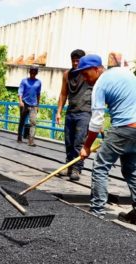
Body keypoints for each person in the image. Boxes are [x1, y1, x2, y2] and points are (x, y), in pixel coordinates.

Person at [77, 54, 136, 223]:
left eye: (86, 74)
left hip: (124, 128)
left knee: (100, 167)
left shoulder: (100, 85)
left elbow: (96, 121)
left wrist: (86, 146)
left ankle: (97, 213)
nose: (84, 78)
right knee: (130, 169)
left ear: (97, 69)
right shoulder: (125, 73)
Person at [56, 49, 92, 181]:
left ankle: (77, 168)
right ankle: (69, 166)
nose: (76, 63)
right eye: (73, 60)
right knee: (69, 141)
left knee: (79, 142)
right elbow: (63, 93)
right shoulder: (67, 74)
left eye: (78, 61)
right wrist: (59, 111)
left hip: (85, 112)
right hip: (71, 111)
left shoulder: (88, 73)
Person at [17, 65, 41, 146]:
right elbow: (20, 91)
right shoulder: (24, 81)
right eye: (31, 72)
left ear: (36, 73)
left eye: (34, 72)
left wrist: (38, 105)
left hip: (33, 105)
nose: (33, 73)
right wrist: (20, 101)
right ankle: (19, 137)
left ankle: (31, 141)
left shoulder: (38, 82)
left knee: (33, 123)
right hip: (24, 103)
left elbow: (38, 94)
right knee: (22, 121)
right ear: (29, 72)